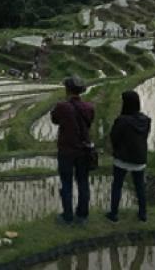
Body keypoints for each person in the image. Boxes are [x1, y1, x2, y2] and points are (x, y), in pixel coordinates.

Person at [51, 76, 94, 224]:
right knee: (83, 182)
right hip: (84, 151)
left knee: (67, 183)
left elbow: (54, 120)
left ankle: (67, 216)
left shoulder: (62, 106)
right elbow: (89, 124)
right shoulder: (89, 107)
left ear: (67, 90)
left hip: (66, 151)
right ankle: (82, 216)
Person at [106, 90, 151, 223]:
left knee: (117, 185)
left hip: (122, 159)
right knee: (140, 186)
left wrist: (117, 149)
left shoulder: (122, 120)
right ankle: (143, 214)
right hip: (139, 159)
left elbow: (114, 137)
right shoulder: (146, 120)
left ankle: (114, 214)